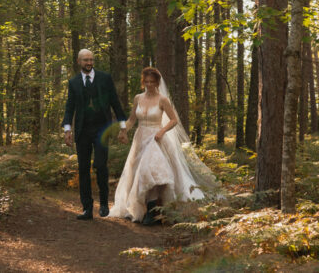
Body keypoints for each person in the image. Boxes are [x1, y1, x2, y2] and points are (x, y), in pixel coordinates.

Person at [109, 66, 218, 225]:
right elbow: (132, 119)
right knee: (137, 173)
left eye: (152, 82)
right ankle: (136, 208)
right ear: (143, 82)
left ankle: (152, 211)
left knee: (151, 171)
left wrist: (162, 131)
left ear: (157, 82)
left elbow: (174, 120)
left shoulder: (162, 99)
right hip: (140, 139)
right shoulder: (138, 98)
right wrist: (123, 131)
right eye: (146, 81)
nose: (149, 84)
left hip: (156, 139)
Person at [62, 49, 126, 220]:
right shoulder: (73, 82)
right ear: (78, 61)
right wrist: (67, 129)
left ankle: (104, 205)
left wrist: (123, 126)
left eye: (91, 60)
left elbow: (115, 102)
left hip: (101, 131)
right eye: (85, 60)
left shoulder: (105, 78)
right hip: (82, 131)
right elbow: (69, 107)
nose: (89, 63)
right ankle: (87, 208)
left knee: (100, 165)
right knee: (83, 168)